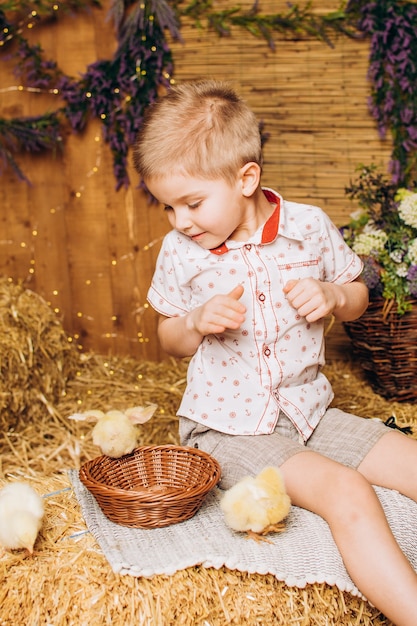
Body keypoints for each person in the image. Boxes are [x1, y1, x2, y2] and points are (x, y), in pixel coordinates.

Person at [134, 79, 417, 625]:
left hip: (311, 414)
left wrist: (336, 295)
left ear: (246, 178)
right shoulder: (181, 252)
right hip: (229, 428)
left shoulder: (309, 227)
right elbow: (167, 337)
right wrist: (193, 322)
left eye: (192, 203)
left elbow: (357, 298)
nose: (180, 221)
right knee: (347, 490)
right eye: (167, 206)